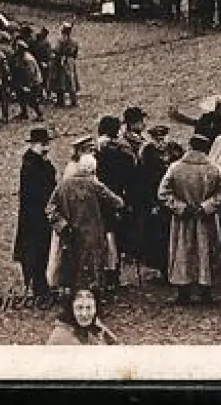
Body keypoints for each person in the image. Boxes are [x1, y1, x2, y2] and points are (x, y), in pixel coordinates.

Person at [157, 134, 221, 305]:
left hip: (183, 219)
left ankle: (183, 292)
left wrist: (180, 207)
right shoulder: (214, 168)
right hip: (206, 219)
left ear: (190, 146)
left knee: (182, 251)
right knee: (206, 251)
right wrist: (206, 206)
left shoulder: (176, 168)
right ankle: (206, 292)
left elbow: (163, 193)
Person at [48, 153, 125, 300]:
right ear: (92, 170)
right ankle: (92, 297)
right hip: (92, 234)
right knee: (92, 268)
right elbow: (118, 202)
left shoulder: (63, 185)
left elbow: (50, 208)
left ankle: (73, 295)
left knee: (73, 264)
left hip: (70, 233)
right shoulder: (95, 185)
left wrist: (61, 225)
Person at [13, 127, 57, 306]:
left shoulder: (35, 162)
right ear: (35, 145)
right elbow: (43, 188)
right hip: (35, 216)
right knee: (36, 252)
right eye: (43, 144)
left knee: (40, 251)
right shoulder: (32, 165)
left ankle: (39, 286)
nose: (46, 148)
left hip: (36, 215)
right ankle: (38, 288)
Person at [95, 115, 134, 297]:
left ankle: (105, 274)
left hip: (100, 201)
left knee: (105, 236)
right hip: (117, 198)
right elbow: (130, 176)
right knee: (115, 237)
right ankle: (113, 275)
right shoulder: (121, 153)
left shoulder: (95, 153)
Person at [131, 128, 176, 280]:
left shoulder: (174, 151)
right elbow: (142, 182)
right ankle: (160, 268)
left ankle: (170, 269)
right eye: (158, 139)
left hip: (169, 200)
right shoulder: (147, 153)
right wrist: (150, 203)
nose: (161, 142)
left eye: (163, 138)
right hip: (153, 201)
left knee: (169, 236)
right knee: (156, 237)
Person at [46, 289, 118, 345]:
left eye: (89, 308)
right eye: (79, 308)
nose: (84, 314)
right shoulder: (61, 336)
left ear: (96, 309)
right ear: (71, 309)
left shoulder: (96, 325)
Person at [12, 40, 43, 121]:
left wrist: (28, 85)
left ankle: (39, 114)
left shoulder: (28, 59)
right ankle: (24, 113)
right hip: (24, 81)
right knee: (20, 96)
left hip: (33, 82)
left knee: (32, 100)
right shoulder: (20, 57)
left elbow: (31, 73)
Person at [52, 23, 80, 107]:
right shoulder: (74, 41)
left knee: (61, 81)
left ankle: (61, 101)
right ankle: (73, 101)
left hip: (62, 61)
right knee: (71, 81)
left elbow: (56, 50)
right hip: (70, 61)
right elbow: (75, 53)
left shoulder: (60, 40)